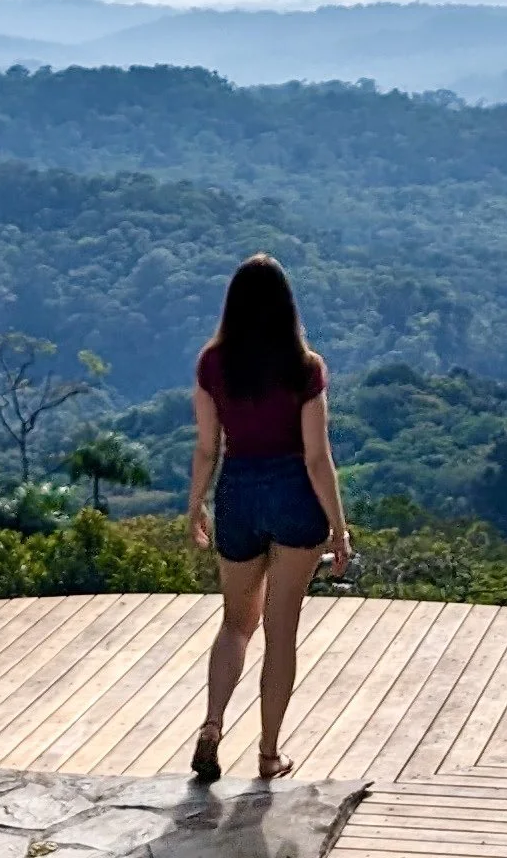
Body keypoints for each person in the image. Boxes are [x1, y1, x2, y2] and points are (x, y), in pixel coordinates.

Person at [185, 252, 351, 784]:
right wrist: (339, 528)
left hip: (238, 492)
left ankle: (212, 726)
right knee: (281, 633)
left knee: (236, 624)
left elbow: (207, 447)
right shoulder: (306, 368)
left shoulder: (213, 364)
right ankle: (267, 754)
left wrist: (195, 506)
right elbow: (316, 457)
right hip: (294, 496)